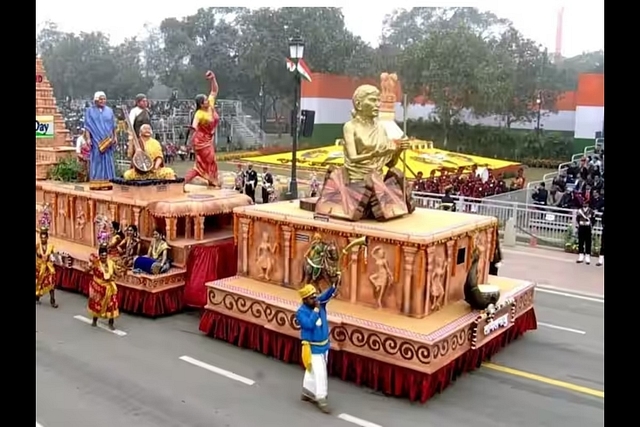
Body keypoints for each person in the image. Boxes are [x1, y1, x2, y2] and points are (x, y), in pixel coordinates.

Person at [296, 283, 338, 413]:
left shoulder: (320, 303)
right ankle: (321, 397)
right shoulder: (301, 312)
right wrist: (315, 311)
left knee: (312, 370)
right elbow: (308, 324)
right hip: (312, 348)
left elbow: (326, 295)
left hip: (324, 346)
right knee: (320, 372)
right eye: (311, 298)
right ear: (305, 300)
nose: (315, 300)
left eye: (315, 297)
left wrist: (334, 285)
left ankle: (307, 391)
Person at [184, 71, 220, 187]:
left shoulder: (210, 106)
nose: (207, 101)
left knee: (205, 164)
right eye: (205, 100)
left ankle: (184, 182)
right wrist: (189, 139)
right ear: (201, 104)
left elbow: (214, 91)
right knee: (209, 161)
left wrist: (213, 78)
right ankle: (212, 181)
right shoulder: (199, 114)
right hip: (200, 141)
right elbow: (194, 125)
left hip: (208, 139)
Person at [84, 91, 117, 190]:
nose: (103, 101)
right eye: (100, 99)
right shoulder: (89, 111)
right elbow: (87, 127)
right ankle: (96, 183)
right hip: (96, 140)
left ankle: (109, 181)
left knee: (108, 160)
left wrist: (115, 137)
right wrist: (88, 139)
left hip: (107, 139)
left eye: (104, 99)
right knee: (97, 160)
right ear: (96, 100)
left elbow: (113, 125)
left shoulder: (109, 111)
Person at [86, 242, 120, 330]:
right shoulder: (96, 263)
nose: (104, 257)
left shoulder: (111, 263)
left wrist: (121, 272)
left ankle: (111, 323)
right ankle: (94, 320)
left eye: (105, 255)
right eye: (102, 255)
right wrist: (89, 266)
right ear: (99, 255)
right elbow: (86, 271)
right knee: (97, 305)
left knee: (112, 304)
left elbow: (117, 273)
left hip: (110, 287)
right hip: (98, 287)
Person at [36, 213, 58, 308]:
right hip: (40, 267)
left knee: (51, 284)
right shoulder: (37, 246)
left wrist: (51, 258)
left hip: (48, 268)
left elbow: (54, 256)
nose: (43, 239)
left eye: (45, 238)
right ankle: (37, 297)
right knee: (39, 283)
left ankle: (52, 300)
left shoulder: (51, 246)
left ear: (47, 238)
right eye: (42, 238)